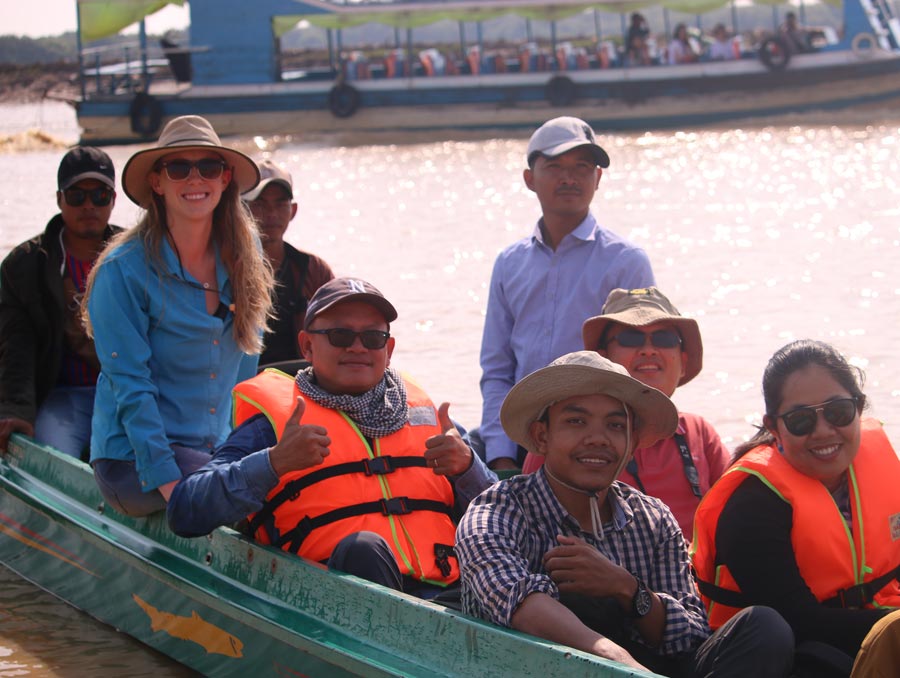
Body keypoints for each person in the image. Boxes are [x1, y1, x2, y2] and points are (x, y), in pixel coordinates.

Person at [456, 351, 795, 676]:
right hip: (535, 670)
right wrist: (622, 662)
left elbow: (690, 636)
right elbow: (517, 601)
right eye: (576, 421)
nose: (598, 439)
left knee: (764, 627)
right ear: (541, 436)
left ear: (632, 443)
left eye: (615, 426)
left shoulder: (653, 518)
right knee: (577, 603)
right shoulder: (497, 510)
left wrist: (627, 589)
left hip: (646, 665)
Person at [167, 277, 496, 597]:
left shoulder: (430, 418)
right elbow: (185, 510)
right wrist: (274, 462)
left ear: (389, 348)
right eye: (340, 335)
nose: (357, 347)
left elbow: (506, 513)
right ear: (307, 345)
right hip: (340, 601)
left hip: (450, 593)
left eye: (372, 337)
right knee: (362, 548)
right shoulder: (276, 425)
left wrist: (468, 468)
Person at [83, 115, 273, 517]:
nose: (194, 179)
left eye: (208, 167)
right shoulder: (122, 270)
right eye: (178, 168)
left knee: (300, 485)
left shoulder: (246, 254)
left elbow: (247, 378)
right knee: (254, 501)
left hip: (214, 454)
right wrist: (179, 490)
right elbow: (131, 387)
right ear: (157, 182)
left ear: (225, 179)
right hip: (135, 461)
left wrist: (244, 457)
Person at [692, 340, 900, 676]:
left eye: (838, 412)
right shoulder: (751, 504)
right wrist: (894, 627)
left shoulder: (881, 471)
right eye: (801, 420)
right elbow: (798, 620)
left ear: (859, 408)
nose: (823, 431)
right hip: (793, 653)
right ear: (774, 427)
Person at [479, 116, 655, 471]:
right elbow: (497, 368)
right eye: (555, 166)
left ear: (598, 178)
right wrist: (499, 453)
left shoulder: (626, 262)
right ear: (530, 179)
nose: (569, 178)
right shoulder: (509, 264)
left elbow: (645, 369)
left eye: (582, 167)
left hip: (598, 444)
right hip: (523, 439)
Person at [522, 287, 729, 540]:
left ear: (683, 362)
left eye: (663, 339)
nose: (649, 350)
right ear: (603, 358)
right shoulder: (561, 435)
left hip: (684, 577)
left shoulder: (699, 431)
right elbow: (534, 527)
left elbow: (734, 520)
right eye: (632, 338)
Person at [0, 147, 122, 460]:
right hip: (62, 397)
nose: (89, 206)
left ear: (114, 200)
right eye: (77, 196)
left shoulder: (135, 256)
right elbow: (16, 346)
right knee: (52, 459)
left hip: (128, 394)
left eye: (100, 195)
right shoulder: (25, 266)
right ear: (59, 199)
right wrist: (17, 410)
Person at [243, 160, 335, 366]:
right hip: (242, 387)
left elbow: (338, 334)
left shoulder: (314, 270)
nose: (272, 214)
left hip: (301, 385)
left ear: (293, 211)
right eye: (259, 204)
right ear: (241, 210)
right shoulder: (223, 268)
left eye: (280, 204)